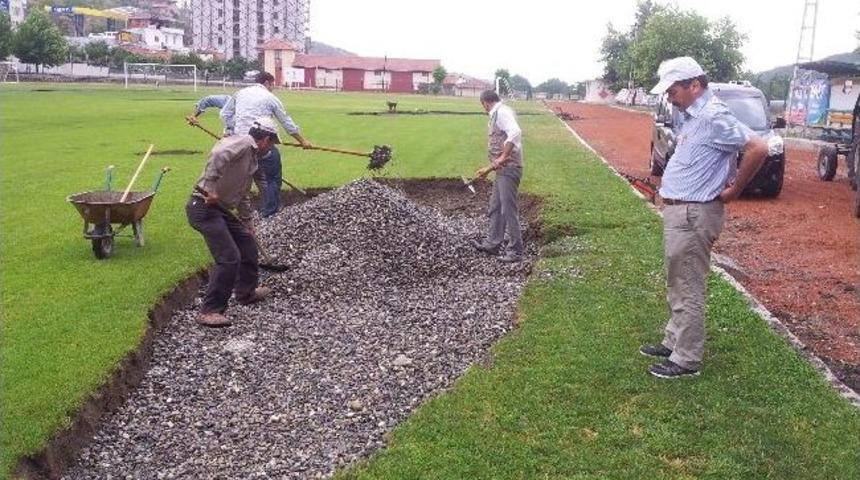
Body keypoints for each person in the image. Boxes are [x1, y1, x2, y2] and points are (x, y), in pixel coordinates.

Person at [640, 57, 768, 379]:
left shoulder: (713, 115)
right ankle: (674, 341)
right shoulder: (695, 117)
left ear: (694, 85)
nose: (669, 97)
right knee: (678, 279)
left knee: (687, 283)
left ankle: (686, 358)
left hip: (694, 213)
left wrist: (734, 190)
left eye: (673, 90)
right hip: (682, 211)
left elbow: (757, 148)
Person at [186, 117, 282, 328]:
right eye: (273, 143)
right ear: (266, 139)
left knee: (248, 243)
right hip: (203, 207)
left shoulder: (252, 158)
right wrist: (210, 188)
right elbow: (218, 154)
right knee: (229, 257)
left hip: (221, 209)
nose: (271, 148)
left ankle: (246, 292)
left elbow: (242, 193)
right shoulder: (244, 142)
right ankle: (209, 311)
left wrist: (247, 222)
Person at [221, 71, 311, 217]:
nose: (273, 88)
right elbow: (286, 121)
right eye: (272, 84)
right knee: (272, 177)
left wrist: (232, 131)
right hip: (261, 144)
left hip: (239, 144)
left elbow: (224, 114)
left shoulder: (240, 93)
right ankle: (270, 213)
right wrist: (303, 141)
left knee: (244, 178)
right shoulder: (270, 98)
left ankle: (245, 214)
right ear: (267, 82)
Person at [470, 90, 524, 263]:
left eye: (483, 105)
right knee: (496, 207)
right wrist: (488, 169)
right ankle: (493, 244)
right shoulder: (497, 113)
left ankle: (515, 251)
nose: (484, 108)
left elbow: (515, 132)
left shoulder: (501, 112)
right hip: (502, 170)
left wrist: (502, 157)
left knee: (508, 210)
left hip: (510, 168)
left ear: (485, 102)